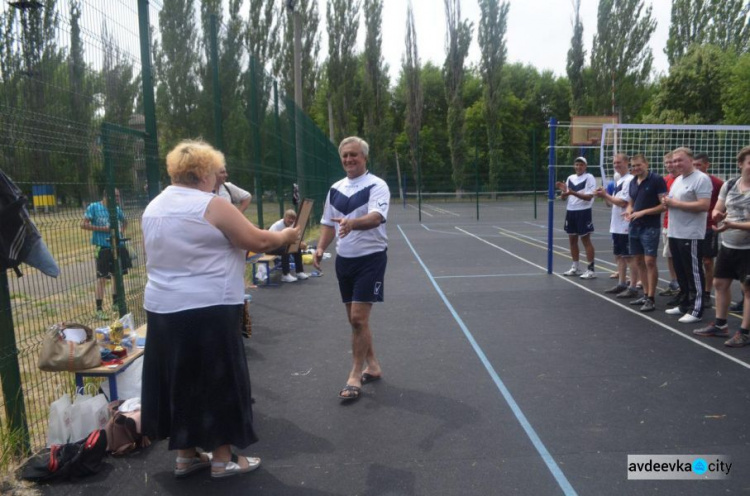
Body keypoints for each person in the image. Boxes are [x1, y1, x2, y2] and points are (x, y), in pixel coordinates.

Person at [140, 139, 300, 479]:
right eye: (215, 173)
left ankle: (186, 454)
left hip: (163, 308)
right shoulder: (210, 204)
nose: (218, 180)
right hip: (208, 307)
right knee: (221, 380)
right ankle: (223, 458)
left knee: (181, 380)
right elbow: (257, 240)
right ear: (202, 173)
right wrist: (286, 235)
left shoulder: (152, 206)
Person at [313, 136, 390, 402]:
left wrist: (352, 224)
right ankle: (374, 366)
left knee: (358, 319)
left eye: (354, 155)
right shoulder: (335, 188)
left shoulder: (377, 185)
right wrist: (321, 248)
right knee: (355, 320)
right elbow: (327, 223)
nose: (349, 159)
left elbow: (376, 217)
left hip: (370, 259)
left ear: (364, 157)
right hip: (344, 261)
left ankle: (355, 374)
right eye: (345, 155)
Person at [693, 146, 750, 347]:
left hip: (747, 249)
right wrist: (718, 215)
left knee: (747, 289)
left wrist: (732, 224)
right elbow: (718, 208)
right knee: (719, 284)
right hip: (729, 244)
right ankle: (720, 325)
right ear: (741, 164)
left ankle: (744, 331)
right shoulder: (730, 184)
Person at [662, 147, 712, 324]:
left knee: (693, 272)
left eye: (680, 160)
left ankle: (697, 309)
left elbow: (704, 205)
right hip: (675, 231)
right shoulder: (678, 180)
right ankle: (684, 303)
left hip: (691, 233)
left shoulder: (701, 179)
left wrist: (674, 202)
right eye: (674, 161)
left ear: (690, 160)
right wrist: (667, 202)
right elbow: (674, 201)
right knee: (681, 271)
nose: (676, 164)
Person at [625, 154, 667, 312]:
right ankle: (645, 294)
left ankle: (651, 297)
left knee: (650, 261)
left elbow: (664, 205)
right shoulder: (632, 182)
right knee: (639, 261)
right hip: (634, 226)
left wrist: (643, 212)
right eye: (633, 166)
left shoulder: (656, 179)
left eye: (638, 165)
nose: (636, 168)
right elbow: (631, 203)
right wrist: (630, 211)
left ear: (646, 164)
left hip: (650, 226)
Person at [81, 188, 131, 320]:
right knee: (102, 279)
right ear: (106, 196)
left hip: (117, 246)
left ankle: (115, 303)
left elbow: (125, 221)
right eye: (115, 196)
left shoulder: (116, 209)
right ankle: (99, 309)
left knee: (117, 275)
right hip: (103, 247)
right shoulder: (94, 207)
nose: (118, 199)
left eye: (118, 196)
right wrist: (102, 229)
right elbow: (83, 224)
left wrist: (121, 232)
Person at [596, 154, 639, 298]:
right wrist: (604, 196)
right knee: (619, 255)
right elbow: (612, 203)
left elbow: (623, 202)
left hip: (625, 224)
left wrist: (606, 196)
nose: (616, 165)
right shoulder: (618, 180)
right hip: (616, 224)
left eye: (619, 162)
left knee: (629, 256)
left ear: (627, 163)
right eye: (614, 162)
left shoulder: (630, 180)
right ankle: (622, 283)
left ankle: (633, 286)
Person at [556, 156, 597, 279]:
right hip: (571, 211)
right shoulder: (570, 178)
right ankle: (575, 267)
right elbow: (564, 197)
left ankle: (591, 269)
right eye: (577, 164)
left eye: (581, 165)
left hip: (583, 211)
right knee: (572, 240)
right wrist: (563, 192)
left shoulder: (589, 178)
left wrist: (571, 192)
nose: (579, 167)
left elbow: (589, 197)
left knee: (585, 240)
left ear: (585, 166)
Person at [693, 152, 724, 309]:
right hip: (692, 226)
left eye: (699, 165)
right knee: (693, 261)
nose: (697, 168)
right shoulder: (690, 180)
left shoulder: (717, 183)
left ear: (707, 165)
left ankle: (706, 293)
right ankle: (692, 291)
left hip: (708, 226)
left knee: (707, 261)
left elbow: (723, 202)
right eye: (694, 165)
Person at [658, 152, 681, 297]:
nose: (669, 165)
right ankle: (674, 282)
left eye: (671, 162)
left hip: (681, 224)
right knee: (670, 255)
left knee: (681, 256)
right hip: (667, 223)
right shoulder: (664, 180)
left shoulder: (683, 179)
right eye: (666, 163)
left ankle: (683, 284)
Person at [269, 209, 309, 282]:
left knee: (297, 248)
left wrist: (302, 243)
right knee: (285, 249)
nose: (291, 220)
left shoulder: (293, 226)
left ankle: (299, 272)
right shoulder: (277, 225)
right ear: (284, 217)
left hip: (280, 246)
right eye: (289, 218)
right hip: (269, 247)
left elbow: (297, 238)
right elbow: (273, 241)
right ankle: (285, 274)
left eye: (293, 218)